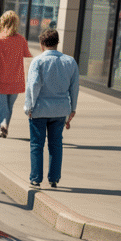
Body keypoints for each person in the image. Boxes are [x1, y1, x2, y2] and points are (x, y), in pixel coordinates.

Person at [24, 29, 79, 189]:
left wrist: (29, 107)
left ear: (42, 44)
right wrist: (72, 108)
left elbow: (33, 86)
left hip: (40, 109)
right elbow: (74, 88)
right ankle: (54, 178)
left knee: (36, 144)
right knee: (56, 144)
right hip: (60, 109)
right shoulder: (70, 62)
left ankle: (36, 178)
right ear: (57, 43)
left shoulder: (38, 61)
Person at [0, 10, 31, 138]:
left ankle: (2, 126)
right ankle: (4, 126)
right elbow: (28, 57)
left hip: (0, 81)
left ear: (2, 23)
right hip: (16, 81)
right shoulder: (21, 40)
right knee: (8, 107)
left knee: (1, 108)